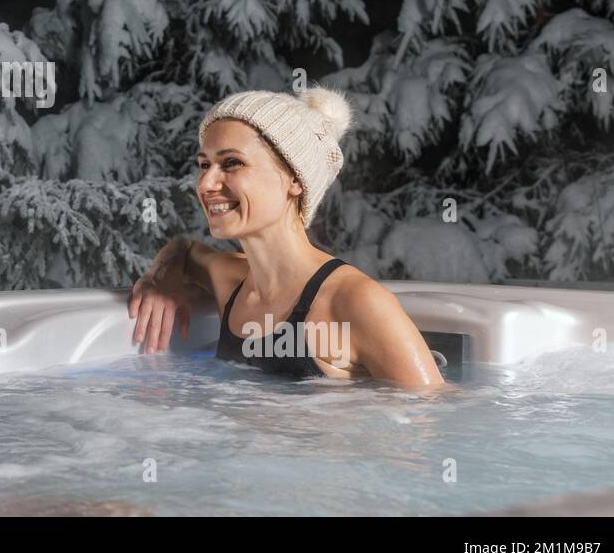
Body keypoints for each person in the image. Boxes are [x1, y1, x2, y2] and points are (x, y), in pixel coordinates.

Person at [129, 85, 445, 388]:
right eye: (204, 165)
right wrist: (162, 275)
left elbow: (432, 418)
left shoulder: (355, 302)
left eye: (232, 163)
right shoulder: (232, 282)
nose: (206, 184)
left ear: (295, 179)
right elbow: (184, 251)